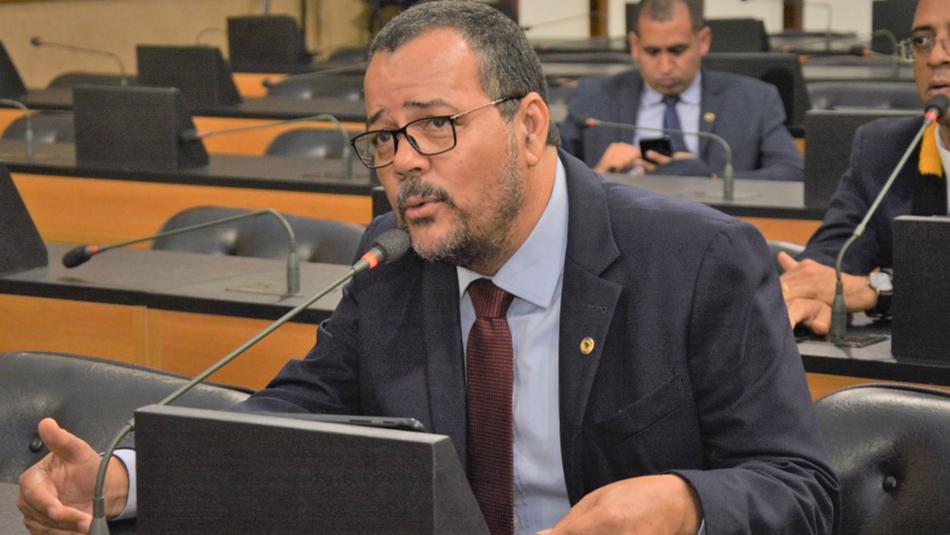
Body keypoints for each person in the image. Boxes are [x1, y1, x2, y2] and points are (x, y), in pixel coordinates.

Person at [18, 2, 837, 534]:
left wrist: (685, 502)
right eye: (382, 136)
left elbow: (800, 485)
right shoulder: (394, 260)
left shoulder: (696, 261)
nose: (404, 161)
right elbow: (286, 422)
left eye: (435, 124)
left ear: (529, 127)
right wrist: (123, 478)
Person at [780, 0, 949, 335]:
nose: (935, 57)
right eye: (922, 41)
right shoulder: (884, 150)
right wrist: (814, 293)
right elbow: (834, 256)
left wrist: (877, 290)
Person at [558, 0, 803, 181]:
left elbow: (791, 173)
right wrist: (598, 175)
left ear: (703, 41)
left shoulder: (754, 100)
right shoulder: (593, 99)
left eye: (677, 51)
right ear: (634, 46)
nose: (665, 67)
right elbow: (551, 178)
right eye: (652, 52)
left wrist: (711, 179)